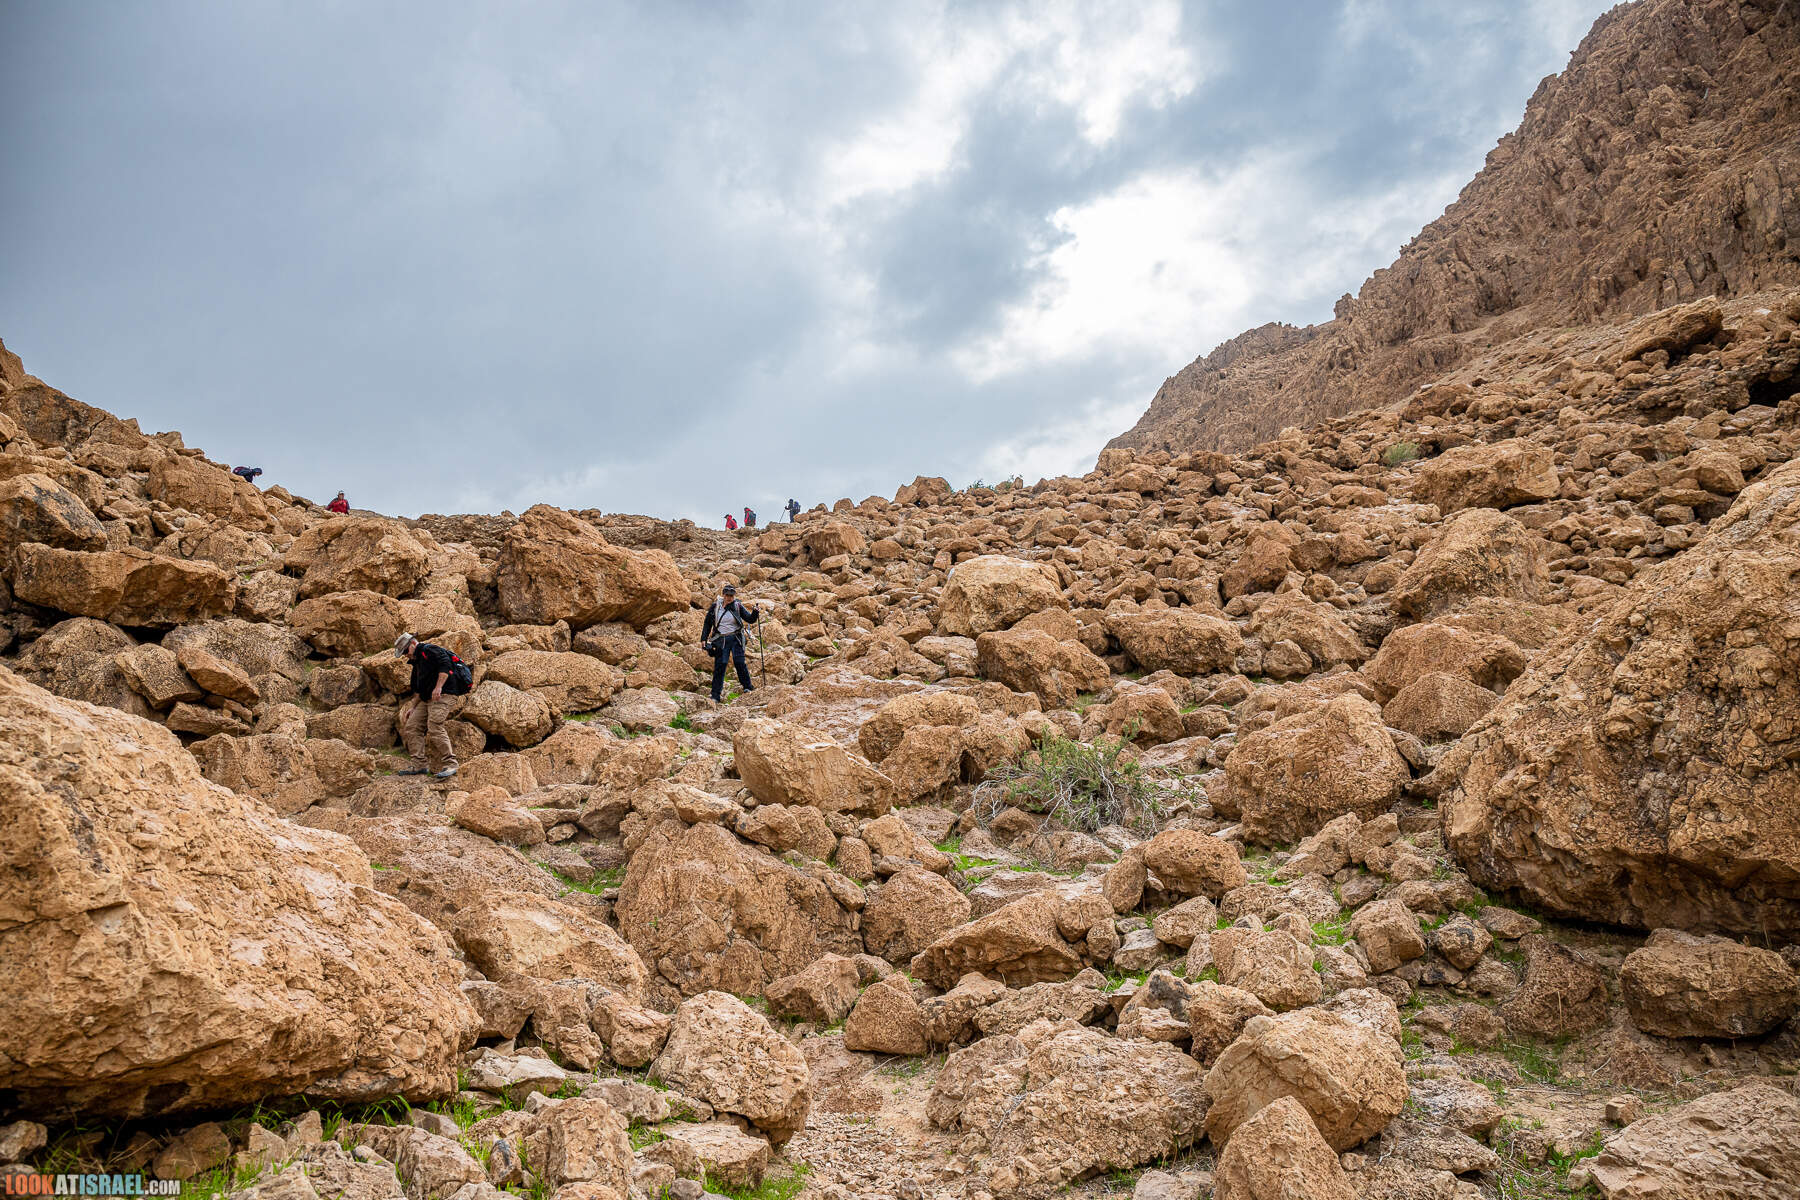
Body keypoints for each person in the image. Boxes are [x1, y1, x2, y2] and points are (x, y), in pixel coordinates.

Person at [393, 632, 472, 778]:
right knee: (412, 725)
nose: (405, 655)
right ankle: (419, 765)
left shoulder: (429, 650)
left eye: (405, 651)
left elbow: (445, 665)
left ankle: (451, 764)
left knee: (435, 725)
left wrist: (439, 687)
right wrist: (413, 707)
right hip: (427, 697)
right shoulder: (417, 662)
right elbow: (418, 689)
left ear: (412, 644)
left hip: (444, 694)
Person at [700, 583, 759, 702]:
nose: (729, 598)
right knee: (720, 665)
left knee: (739, 662)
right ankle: (715, 695)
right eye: (727, 595)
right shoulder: (715, 607)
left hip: (736, 638)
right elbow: (707, 623)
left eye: (731, 595)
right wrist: (703, 639)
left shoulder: (737, 606)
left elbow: (750, 619)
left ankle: (748, 687)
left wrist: (755, 612)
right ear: (723, 595)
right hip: (721, 639)